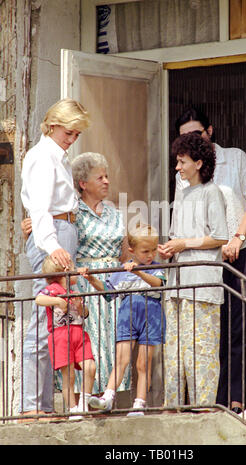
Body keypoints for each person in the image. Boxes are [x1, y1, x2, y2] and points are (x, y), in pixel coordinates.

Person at [173, 107, 246, 412]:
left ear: (209, 131)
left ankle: (241, 398)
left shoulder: (235, 157)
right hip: (210, 257)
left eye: (197, 133)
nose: (192, 139)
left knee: (243, 325)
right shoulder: (184, 172)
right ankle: (217, 398)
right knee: (217, 328)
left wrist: (237, 237)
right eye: (185, 135)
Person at [21, 152, 130, 397]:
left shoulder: (116, 214)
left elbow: (124, 256)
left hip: (109, 289)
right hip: (82, 287)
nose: (106, 181)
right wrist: (29, 228)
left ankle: (108, 400)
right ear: (83, 184)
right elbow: (49, 233)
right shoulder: (72, 214)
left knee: (110, 347)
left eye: (107, 176)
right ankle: (79, 404)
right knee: (82, 348)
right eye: (100, 177)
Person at [20, 98, 90, 418]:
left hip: (63, 229)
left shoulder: (57, 156)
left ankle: (43, 405)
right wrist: (49, 243)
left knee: (56, 323)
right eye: (69, 131)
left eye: (76, 134)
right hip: (55, 232)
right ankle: (33, 406)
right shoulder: (42, 156)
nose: (72, 138)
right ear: (52, 125)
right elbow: (39, 207)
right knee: (43, 321)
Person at [158, 132, 228, 408]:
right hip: (178, 283)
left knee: (202, 351)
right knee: (174, 352)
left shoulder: (213, 193)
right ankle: (172, 408)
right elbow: (178, 236)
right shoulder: (183, 194)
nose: (178, 167)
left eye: (182, 161)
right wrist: (170, 248)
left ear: (198, 163)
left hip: (202, 284)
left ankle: (203, 409)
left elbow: (221, 236)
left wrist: (184, 244)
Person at [82, 223, 166, 416]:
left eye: (153, 250)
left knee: (143, 364)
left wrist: (138, 272)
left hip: (150, 316)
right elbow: (108, 291)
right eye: (145, 251)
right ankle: (108, 397)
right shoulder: (121, 270)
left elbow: (159, 284)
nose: (150, 255)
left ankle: (139, 404)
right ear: (131, 250)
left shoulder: (156, 267)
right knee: (121, 359)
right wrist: (91, 279)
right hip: (127, 315)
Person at [35, 256, 96, 420]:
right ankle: (73, 409)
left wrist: (80, 307)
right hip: (61, 335)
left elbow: (85, 313)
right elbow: (39, 299)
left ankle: (83, 403)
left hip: (79, 333)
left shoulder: (74, 292)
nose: (76, 271)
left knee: (90, 367)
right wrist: (57, 301)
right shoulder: (53, 289)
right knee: (68, 376)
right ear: (64, 272)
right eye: (73, 268)